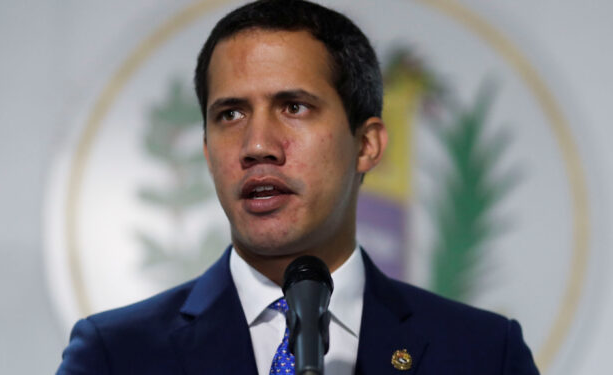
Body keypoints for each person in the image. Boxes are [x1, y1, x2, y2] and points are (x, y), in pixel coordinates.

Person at [57, 1, 540, 374]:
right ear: (207, 152)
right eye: (230, 114)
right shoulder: (117, 356)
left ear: (367, 145)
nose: (257, 144)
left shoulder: (482, 354)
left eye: (293, 107)